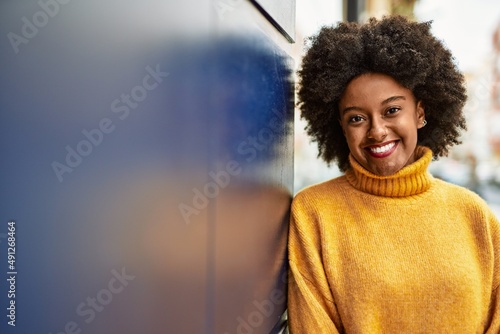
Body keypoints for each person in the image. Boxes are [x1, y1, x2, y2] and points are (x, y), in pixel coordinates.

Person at [288, 15, 500, 333]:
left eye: (392, 111)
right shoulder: (314, 213)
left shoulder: (474, 214)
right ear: (341, 128)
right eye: (357, 118)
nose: (377, 131)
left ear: (420, 112)